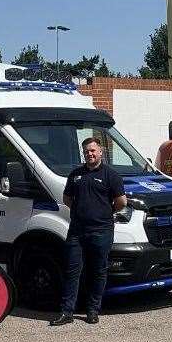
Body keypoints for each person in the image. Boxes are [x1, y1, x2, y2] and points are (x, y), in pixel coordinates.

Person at [50, 137, 126, 326]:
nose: (90, 154)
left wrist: (104, 212)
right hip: (77, 231)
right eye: (86, 151)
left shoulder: (111, 175)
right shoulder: (76, 174)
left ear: (101, 152)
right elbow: (67, 198)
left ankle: (93, 311)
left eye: (93, 150)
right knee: (72, 270)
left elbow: (121, 202)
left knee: (98, 271)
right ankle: (67, 312)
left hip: (101, 230)